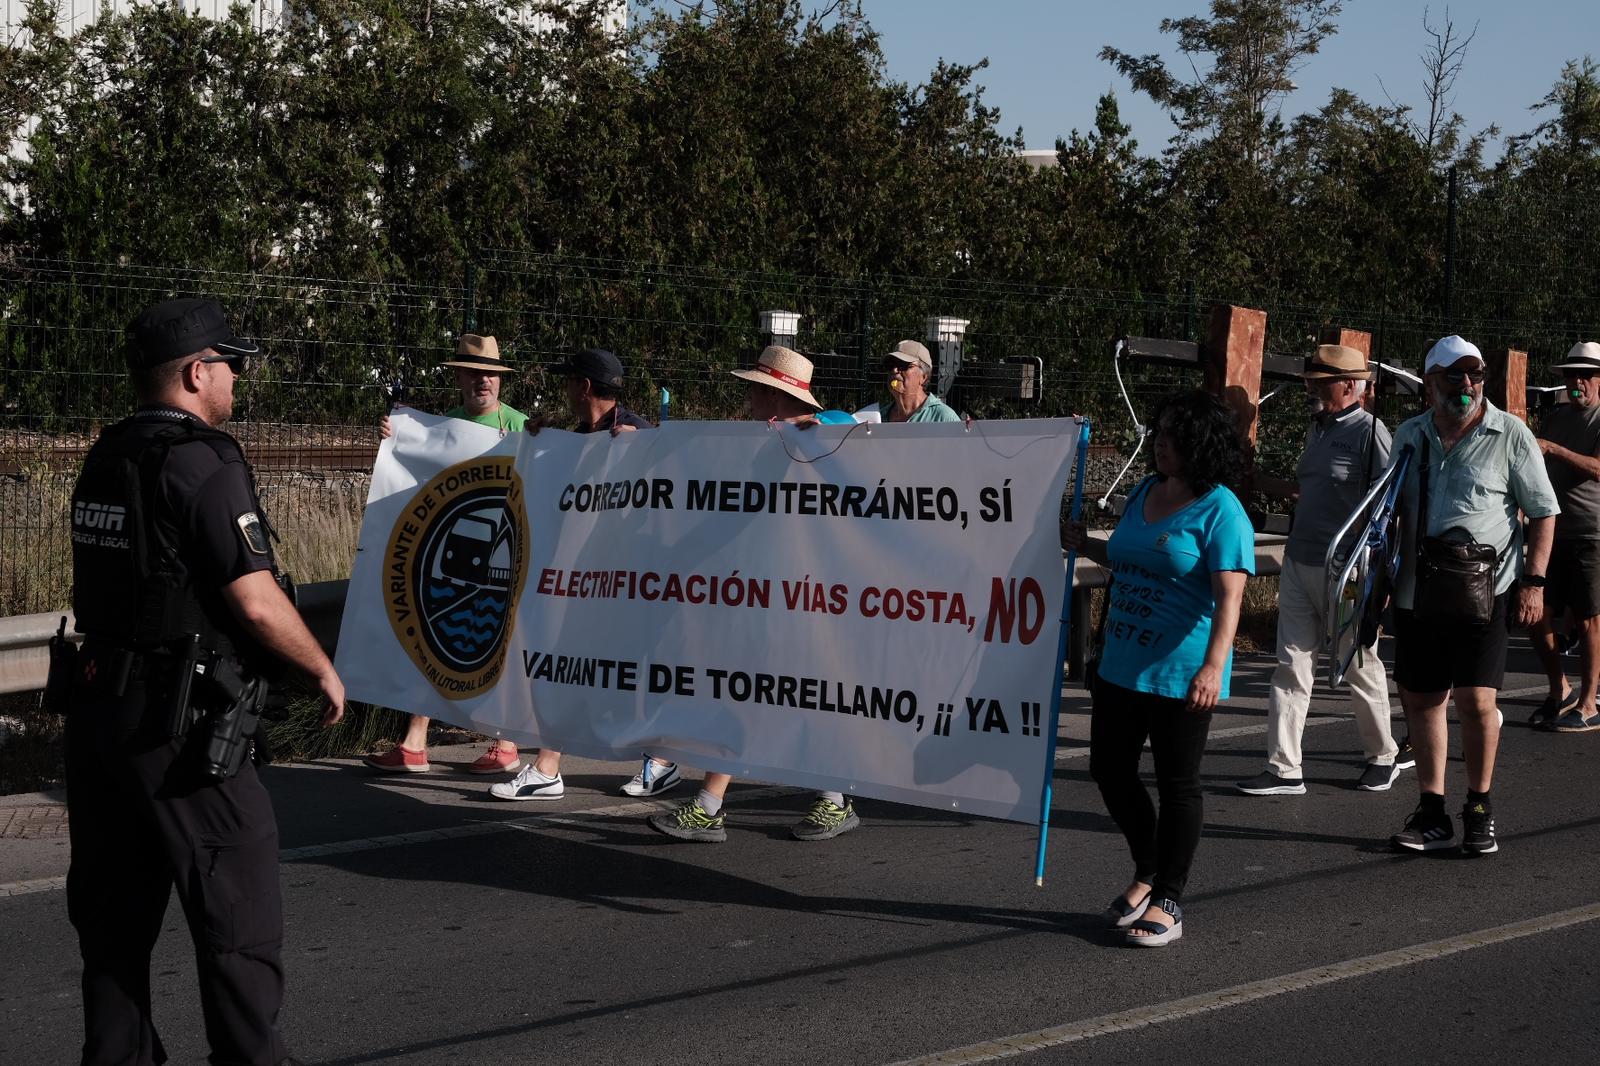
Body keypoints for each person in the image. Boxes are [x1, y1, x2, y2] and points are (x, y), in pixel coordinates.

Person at [63, 297, 345, 1066]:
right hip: (181, 728)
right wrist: (321, 666)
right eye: (230, 364)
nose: (236, 379)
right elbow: (255, 600)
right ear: (196, 373)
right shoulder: (201, 461)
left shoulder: (108, 454)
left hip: (100, 715)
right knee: (238, 914)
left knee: (114, 929)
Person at [648, 345, 861, 842]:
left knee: (768, 695)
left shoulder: (832, 428)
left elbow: (860, 440)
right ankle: (818, 799)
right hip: (764, 593)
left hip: (813, 598)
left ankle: (717, 806)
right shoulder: (756, 441)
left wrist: (819, 430)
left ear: (773, 394)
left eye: (753, 390)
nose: (746, 400)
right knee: (754, 693)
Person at [1063, 389, 1253, 946]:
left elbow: (1231, 599)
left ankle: (1169, 896)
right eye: (1159, 431)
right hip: (1120, 666)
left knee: (1178, 786)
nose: (1160, 442)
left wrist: (1213, 668)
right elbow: (1130, 557)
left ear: (1201, 443)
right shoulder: (1146, 490)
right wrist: (1087, 544)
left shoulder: (1222, 511)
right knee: (1108, 771)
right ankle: (1147, 869)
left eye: (1174, 434)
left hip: (1181, 674)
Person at [1385, 335, 1558, 855]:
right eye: (1454, 375)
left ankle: (1479, 808)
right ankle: (1432, 813)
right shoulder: (1409, 435)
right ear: (1429, 382)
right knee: (1422, 699)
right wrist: (1374, 586)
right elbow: (1387, 514)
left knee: (1477, 701)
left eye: (1475, 375)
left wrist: (1533, 583)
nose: (1466, 384)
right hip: (1417, 591)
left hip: (1487, 592)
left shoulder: (1511, 434)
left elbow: (1544, 512)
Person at [488, 347, 684, 800]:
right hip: (584, 581)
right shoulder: (580, 436)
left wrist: (645, 450)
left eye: (570, 381)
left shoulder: (637, 433)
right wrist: (539, 443)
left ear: (585, 387)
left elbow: (676, 490)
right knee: (563, 663)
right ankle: (548, 765)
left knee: (632, 669)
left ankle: (661, 758)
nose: (566, 390)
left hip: (631, 582)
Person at [1236, 345, 1402, 795]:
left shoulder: (1371, 432)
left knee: (1357, 662)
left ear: (1349, 385)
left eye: (1321, 381)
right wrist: (1262, 482)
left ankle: (1383, 755)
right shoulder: (1319, 428)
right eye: (1311, 380)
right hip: (1299, 560)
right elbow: (1310, 489)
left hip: (1345, 567)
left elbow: (1390, 503)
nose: (1311, 387)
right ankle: (1283, 767)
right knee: (1291, 663)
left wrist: (1380, 572)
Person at [365, 334, 526, 775]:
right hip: (453, 549)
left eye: (490, 374)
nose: (483, 381)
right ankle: (414, 743)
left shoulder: (521, 425)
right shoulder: (443, 425)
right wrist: (396, 440)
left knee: (500, 641)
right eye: (473, 373)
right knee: (430, 633)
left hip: (503, 556)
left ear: (500, 380)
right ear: (459, 378)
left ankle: (506, 741)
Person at [1529, 340, 1600, 732]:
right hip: (1551, 530)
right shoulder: (1556, 417)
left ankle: (1589, 703)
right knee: (1534, 612)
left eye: (1586, 376)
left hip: (1591, 532)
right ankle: (1560, 687)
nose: (1577, 383)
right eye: (1572, 376)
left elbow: (1598, 469)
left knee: (1588, 620)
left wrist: (1554, 449)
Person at [857, 340, 962, 423]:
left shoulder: (942, 417)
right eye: (890, 365)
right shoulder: (877, 419)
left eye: (904, 365)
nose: (895, 370)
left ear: (923, 377)